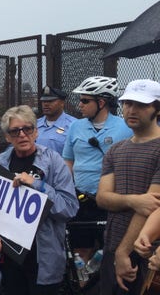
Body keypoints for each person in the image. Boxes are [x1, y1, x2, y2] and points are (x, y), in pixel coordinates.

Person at [0, 105, 78, 295]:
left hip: (42, 256)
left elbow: (69, 207)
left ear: (36, 132)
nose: (22, 135)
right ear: (7, 137)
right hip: (8, 256)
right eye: (15, 131)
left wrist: (38, 186)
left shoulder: (53, 161)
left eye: (27, 129)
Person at [97, 79, 160, 294]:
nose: (131, 110)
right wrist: (133, 200)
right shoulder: (116, 150)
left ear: (157, 109)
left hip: (147, 253)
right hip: (112, 246)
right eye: (127, 103)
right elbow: (102, 198)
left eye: (141, 105)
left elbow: (151, 207)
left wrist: (124, 253)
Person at [62, 76, 133, 265]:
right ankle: (83, 286)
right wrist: (67, 189)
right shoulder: (75, 127)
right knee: (80, 249)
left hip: (112, 201)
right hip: (81, 200)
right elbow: (68, 161)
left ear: (101, 103)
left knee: (110, 250)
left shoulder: (126, 127)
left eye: (85, 100)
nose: (80, 105)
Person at [35, 85, 76, 155]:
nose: (46, 104)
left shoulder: (73, 125)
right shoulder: (34, 125)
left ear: (62, 103)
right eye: (44, 101)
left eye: (50, 101)